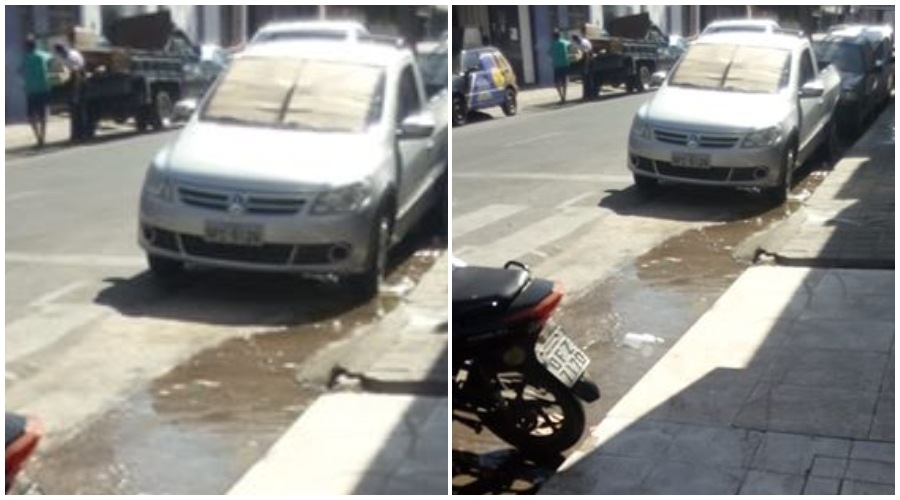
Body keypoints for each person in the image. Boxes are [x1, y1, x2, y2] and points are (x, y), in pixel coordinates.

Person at [18, 36, 52, 148]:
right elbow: (52, 60)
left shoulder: (24, 59)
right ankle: (43, 136)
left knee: (31, 116)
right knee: (43, 115)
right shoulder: (42, 56)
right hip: (43, 88)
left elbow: (19, 72)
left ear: (26, 47)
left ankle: (38, 137)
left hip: (31, 91)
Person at [53, 42, 88, 142]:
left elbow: (76, 75)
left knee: (79, 111)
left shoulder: (71, 57)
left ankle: (81, 135)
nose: (59, 54)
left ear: (62, 50)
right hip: (74, 80)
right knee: (74, 111)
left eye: (59, 52)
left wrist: (75, 94)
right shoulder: (65, 56)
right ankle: (76, 135)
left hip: (79, 82)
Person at [548, 30, 570, 103]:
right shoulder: (564, 43)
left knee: (557, 82)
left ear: (553, 37)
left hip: (556, 66)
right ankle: (564, 96)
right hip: (564, 64)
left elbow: (549, 53)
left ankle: (561, 96)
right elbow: (567, 51)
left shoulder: (552, 44)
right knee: (564, 82)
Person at [572, 34, 595, 100]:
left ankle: (590, 95)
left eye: (575, 40)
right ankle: (586, 95)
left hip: (589, 60)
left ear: (577, 39)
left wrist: (586, 68)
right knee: (585, 79)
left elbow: (587, 55)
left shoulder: (583, 43)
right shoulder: (580, 43)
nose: (575, 42)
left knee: (589, 79)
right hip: (585, 59)